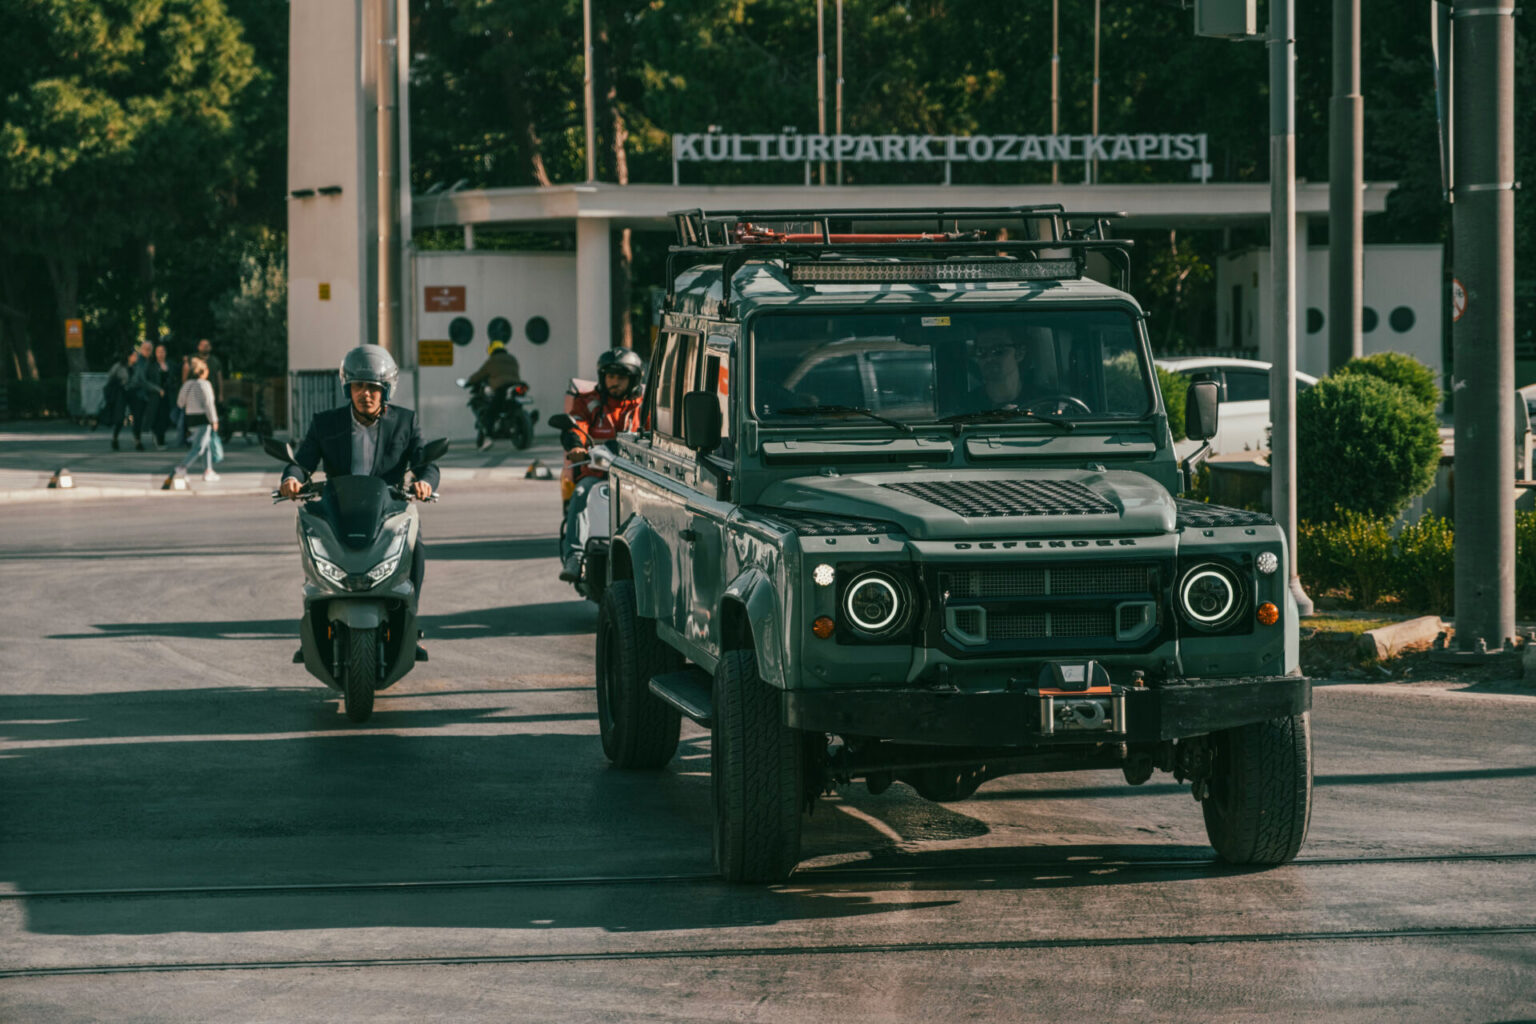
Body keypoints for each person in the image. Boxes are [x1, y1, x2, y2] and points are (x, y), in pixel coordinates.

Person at [279, 346, 439, 648]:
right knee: (313, 548)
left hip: (388, 509)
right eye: (358, 386)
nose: (365, 393)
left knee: (415, 546)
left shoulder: (405, 422)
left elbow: (426, 463)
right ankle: (316, 625)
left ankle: (409, 621)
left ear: (386, 389)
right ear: (347, 388)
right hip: (338, 508)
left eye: (374, 387)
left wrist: (425, 483)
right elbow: (302, 462)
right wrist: (292, 479)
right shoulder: (326, 423)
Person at [558, 347, 644, 582]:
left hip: (637, 477)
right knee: (581, 493)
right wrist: (576, 446)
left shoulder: (645, 405)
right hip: (596, 473)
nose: (614, 382)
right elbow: (576, 425)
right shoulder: (589, 402)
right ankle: (575, 557)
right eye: (610, 376)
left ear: (634, 379)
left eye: (621, 377)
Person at [965, 325, 1061, 412]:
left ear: (1020, 353)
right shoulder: (965, 407)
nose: (989, 358)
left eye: (998, 349)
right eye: (981, 351)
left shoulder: (1046, 403)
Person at [464, 339, 525, 450]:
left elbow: (480, 374)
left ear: (491, 350)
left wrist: (469, 381)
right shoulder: (512, 358)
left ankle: (488, 435)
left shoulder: (492, 360)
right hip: (517, 385)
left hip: (502, 388)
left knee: (492, 411)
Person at [175, 357, 221, 481]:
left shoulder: (187, 384)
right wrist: (214, 420)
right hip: (203, 418)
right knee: (199, 447)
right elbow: (209, 404)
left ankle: (208, 470)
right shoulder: (205, 384)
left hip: (190, 417)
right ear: (203, 371)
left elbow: (180, 403)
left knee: (206, 444)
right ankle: (182, 467)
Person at [126, 341, 165, 450]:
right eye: (145, 349)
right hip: (137, 392)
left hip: (142, 392)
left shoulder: (147, 361)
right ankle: (138, 440)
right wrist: (157, 389)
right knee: (138, 416)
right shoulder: (141, 361)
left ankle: (141, 438)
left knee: (143, 415)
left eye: (150, 349)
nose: (148, 351)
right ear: (141, 349)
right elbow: (142, 380)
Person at [102, 348, 136, 450]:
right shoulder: (119, 366)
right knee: (119, 417)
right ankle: (115, 438)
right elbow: (110, 378)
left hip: (133, 392)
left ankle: (137, 439)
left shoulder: (137, 367)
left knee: (136, 416)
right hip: (121, 393)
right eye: (134, 355)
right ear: (129, 357)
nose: (136, 357)